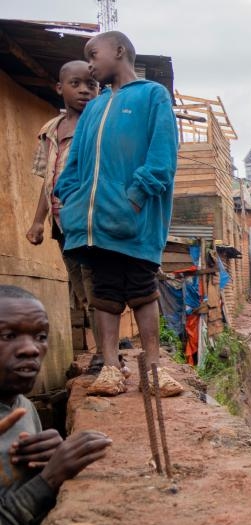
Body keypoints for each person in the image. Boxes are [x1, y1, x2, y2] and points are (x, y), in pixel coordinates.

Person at [53, 31, 178, 393]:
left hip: (135, 219)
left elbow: (162, 156)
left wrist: (135, 196)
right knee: (104, 293)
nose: (90, 65)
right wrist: (69, 195)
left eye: (94, 54)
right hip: (95, 223)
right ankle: (110, 368)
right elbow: (74, 163)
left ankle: (153, 369)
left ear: (120, 51)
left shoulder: (152, 96)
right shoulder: (93, 107)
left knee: (141, 288)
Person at [0, 285, 111, 525]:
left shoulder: (23, 407)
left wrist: (44, 462)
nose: (30, 349)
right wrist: (49, 480)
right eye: (8, 335)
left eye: (40, 336)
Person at [24, 61, 102, 372]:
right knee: (82, 290)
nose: (84, 90)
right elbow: (48, 182)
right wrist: (37, 222)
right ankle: (102, 352)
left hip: (90, 220)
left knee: (96, 285)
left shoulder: (98, 126)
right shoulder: (49, 131)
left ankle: (105, 357)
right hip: (61, 224)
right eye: (76, 83)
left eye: (91, 84)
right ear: (60, 88)